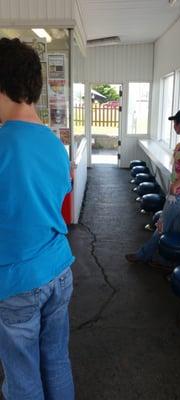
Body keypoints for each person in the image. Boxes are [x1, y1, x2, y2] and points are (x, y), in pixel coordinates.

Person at [0, 38, 75, 399]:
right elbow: (56, 196)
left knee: (22, 375)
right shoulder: (54, 144)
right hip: (59, 271)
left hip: (17, 281)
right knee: (56, 360)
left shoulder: (3, 143)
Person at [126, 108, 180, 267]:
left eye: (175, 123)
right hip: (178, 190)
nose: (174, 126)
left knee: (162, 223)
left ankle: (143, 255)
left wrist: (175, 185)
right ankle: (168, 260)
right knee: (174, 227)